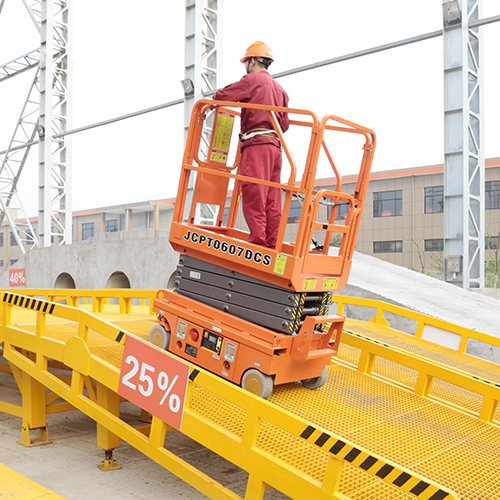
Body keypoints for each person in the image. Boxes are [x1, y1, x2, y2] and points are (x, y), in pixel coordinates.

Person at [213, 41, 289, 249]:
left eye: (246, 62)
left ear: (252, 61)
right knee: (272, 198)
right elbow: (284, 125)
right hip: (275, 147)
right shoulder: (280, 90)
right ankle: (271, 244)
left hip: (256, 145)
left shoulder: (252, 80)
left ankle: (257, 243)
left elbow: (221, 96)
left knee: (254, 193)